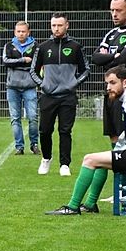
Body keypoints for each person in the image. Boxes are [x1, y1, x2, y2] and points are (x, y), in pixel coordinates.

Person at [46, 66, 126, 215]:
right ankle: (90, 204)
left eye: (113, 83)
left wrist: (122, 152)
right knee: (100, 161)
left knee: (89, 159)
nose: (108, 87)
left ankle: (72, 207)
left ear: (125, 82)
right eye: (107, 83)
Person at [30, 12, 90, 176]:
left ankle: (64, 164)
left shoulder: (76, 47)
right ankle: (46, 159)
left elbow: (85, 70)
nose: (56, 28)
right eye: (53, 25)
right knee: (45, 130)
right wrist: (43, 84)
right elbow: (33, 71)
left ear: (67, 25)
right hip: (48, 96)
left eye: (59, 25)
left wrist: (73, 84)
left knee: (65, 131)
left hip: (67, 97)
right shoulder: (43, 47)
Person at [90, 0, 126, 143]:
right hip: (110, 90)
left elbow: (124, 60)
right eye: (112, 10)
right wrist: (114, 56)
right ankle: (116, 158)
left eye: (118, 10)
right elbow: (95, 58)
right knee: (113, 134)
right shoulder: (111, 34)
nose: (114, 14)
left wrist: (108, 58)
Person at [2, 21, 40, 155]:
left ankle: (34, 144)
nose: (21, 34)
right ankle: (19, 146)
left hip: (30, 86)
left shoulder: (35, 46)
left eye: (23, 31)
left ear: (28, 32)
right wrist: (22, 60)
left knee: (33, 117)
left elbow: (36, 62)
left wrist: (17, 64)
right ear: (15, 32)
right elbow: (6, 61)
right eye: (18, 31)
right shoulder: (9, 46)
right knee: (15, 118)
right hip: (12, 87)